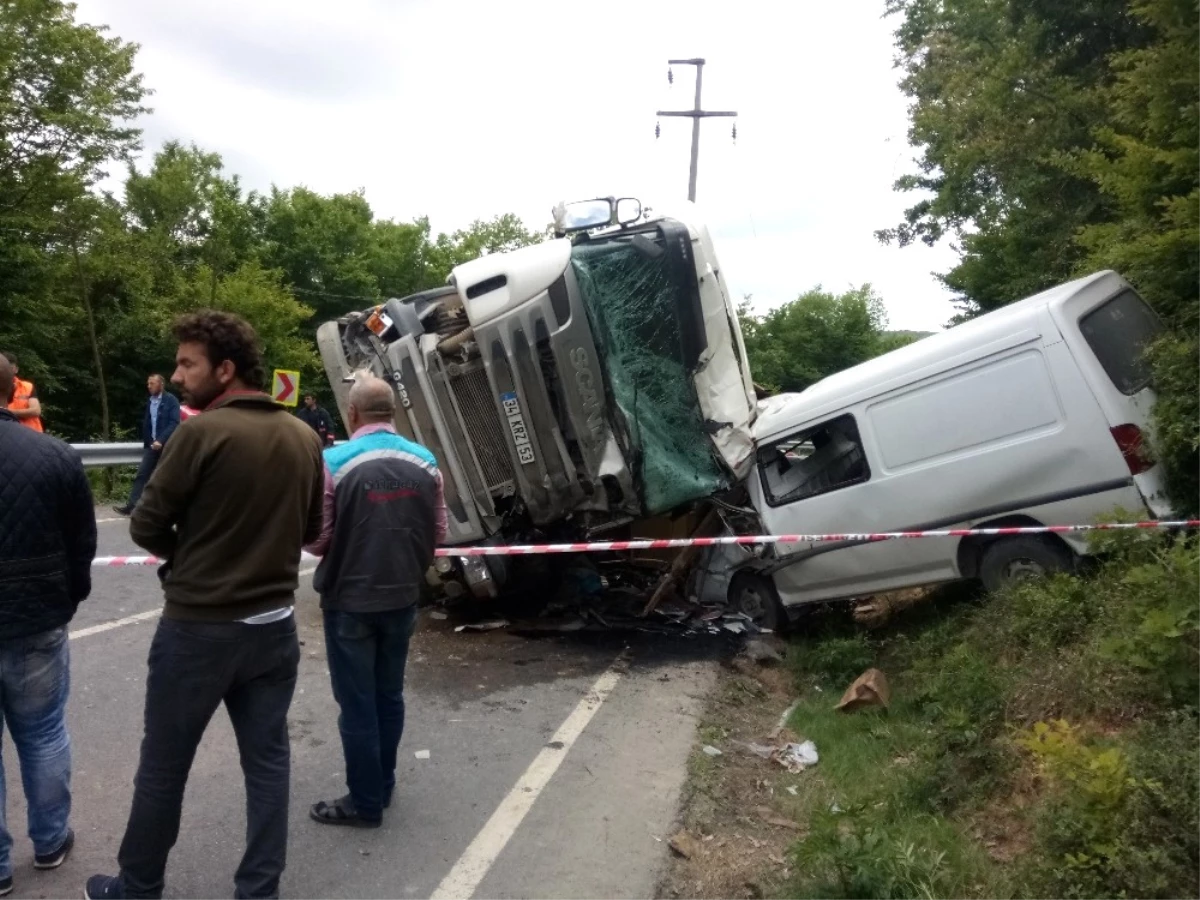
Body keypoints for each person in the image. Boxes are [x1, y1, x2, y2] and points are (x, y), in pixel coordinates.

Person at [84, 311, 325, 900]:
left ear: (225, 368)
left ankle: (137, 888)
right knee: (268, 765)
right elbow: (313, 529)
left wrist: (186, 557)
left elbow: (144, 523)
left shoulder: (200, 433)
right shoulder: (304, 437)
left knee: (164, 767)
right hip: (273, 632)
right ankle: (259, 890)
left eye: (188, 363)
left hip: (199, 633)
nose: (177, 374)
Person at [304, 375, 447, 828]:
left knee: (358, 704)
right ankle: (382, 786)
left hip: (350, 600)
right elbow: (438, 534)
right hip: (403, 597)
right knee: (389, 695)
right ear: (392, 414)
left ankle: (364, 803)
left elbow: (317, 538)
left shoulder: (333, 461)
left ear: (352, 414)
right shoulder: (426, 462)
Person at [0, 352, 96, 896]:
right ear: (14, 390)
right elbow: (82, 542)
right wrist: (69, 598)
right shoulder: (54, 454)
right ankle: (51, 840)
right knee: (42, 733)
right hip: (38, 617)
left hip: (37, 612)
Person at [113, 375, 180, 516]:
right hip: (152, 446)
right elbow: (148, 424)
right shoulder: (150, 401)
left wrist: (161, 440)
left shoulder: (171, 400)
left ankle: (171, 508)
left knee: (167, 478)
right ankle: (132, 506)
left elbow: (174, 422)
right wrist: (150, 442)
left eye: (152, 383)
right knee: (142, 474)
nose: (149, 386)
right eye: (148, 383)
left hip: (167, 445)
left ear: (161, 384)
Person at [1, 351, 44, 432]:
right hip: (7, 434)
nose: (8, 371)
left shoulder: (27, 386)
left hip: (31, 434)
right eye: (5, 368)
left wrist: (7, 412)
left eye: (11, 368)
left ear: (16, 369)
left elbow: (36, 411)